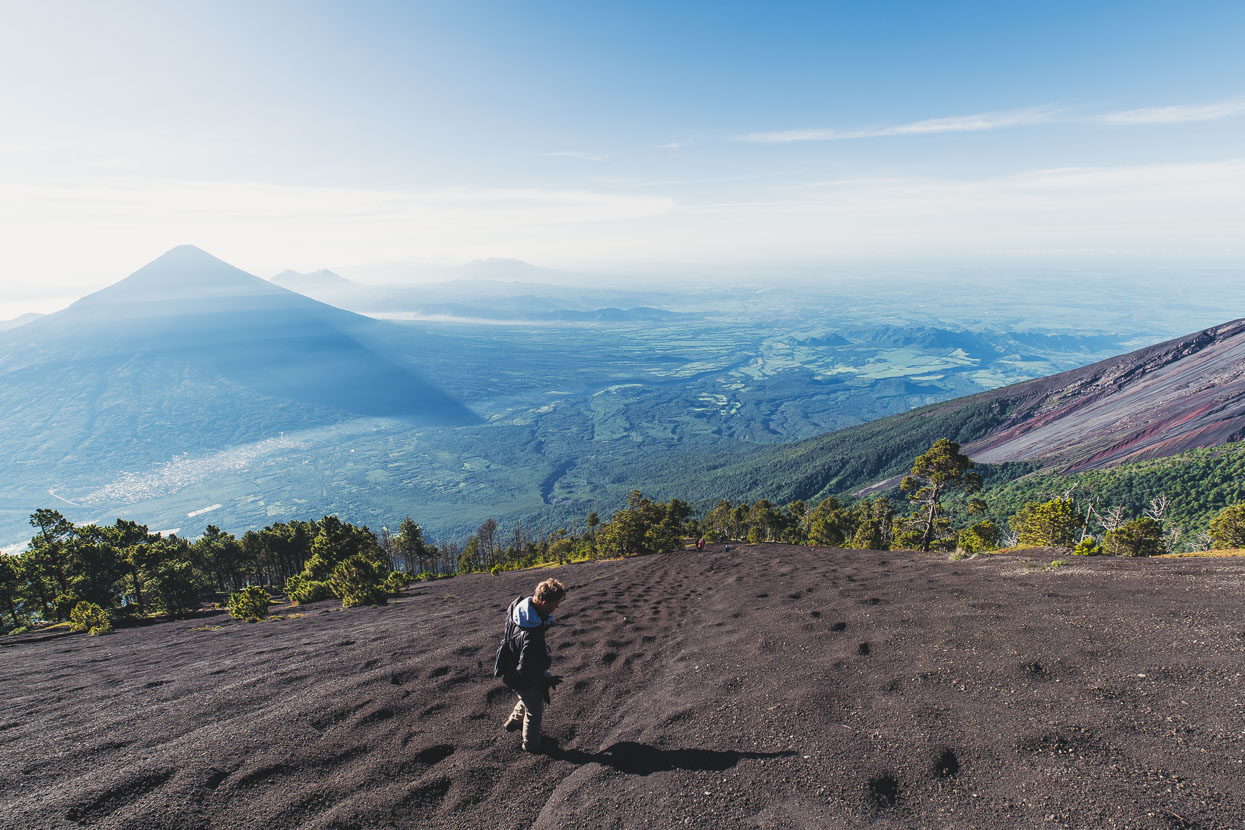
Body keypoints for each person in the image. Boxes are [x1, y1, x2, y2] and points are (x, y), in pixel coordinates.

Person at [500, 577, 567, 752]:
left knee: (527, 698)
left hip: (507, 662)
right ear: (544, 603)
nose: (557, 608)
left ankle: (512, 722)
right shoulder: (533, 637)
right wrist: (542, 680)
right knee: (535, 706)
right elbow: (527, 671)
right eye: (555, 604)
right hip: (519, 674)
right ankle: (531, 745)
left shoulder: (518, 606)